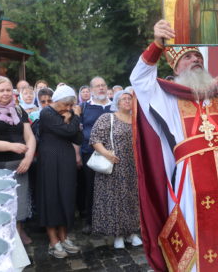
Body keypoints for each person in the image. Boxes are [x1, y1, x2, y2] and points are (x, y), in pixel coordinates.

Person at [131, 20, 218, 271]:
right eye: (187, 56)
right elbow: (140, 79)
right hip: (190, 186)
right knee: (198, 242)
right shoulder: (166, 97)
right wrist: (156, 45)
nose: (195, 59)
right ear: (176, 67)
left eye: (198, 55)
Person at [0, 76, 36, 245]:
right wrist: (10, 146)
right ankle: (1, 240)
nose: (6, 94)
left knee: (20, 203)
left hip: (19, 165)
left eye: (9, 90)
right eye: (1, 90)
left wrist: (28, 157)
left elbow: (30, 137)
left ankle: (17, 239)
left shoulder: (18, 110)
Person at [89, 90, 142, 249]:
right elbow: (94, 139)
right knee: (116, 201)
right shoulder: (108, 118)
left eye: (129, 99)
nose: (127, 101)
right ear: (117, 102)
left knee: (132, 200)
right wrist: (107, 154)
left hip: (132, 167)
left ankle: (131, 233)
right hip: (114, 166)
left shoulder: (137, 120)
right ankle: (118, 235)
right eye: (123, 99)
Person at [36, 85, 83, 258]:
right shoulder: (46, 113)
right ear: (59, 101)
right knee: (51, 198)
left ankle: (64, 237)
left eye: (72, 106)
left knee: (66, 195)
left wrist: (71, 119)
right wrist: (75, 117)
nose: (69, 109)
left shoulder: (67, 114)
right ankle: (53, 241)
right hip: (49, 160)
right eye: (67, 105)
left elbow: (78, 137)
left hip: (66, 159)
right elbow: (69, 131)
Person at [77, 77, 113, 234]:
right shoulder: (84, 107)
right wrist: (77, 154)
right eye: (97, 86)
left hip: (113, 154)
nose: (101, 88)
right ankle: (90, 222)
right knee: (91, 187)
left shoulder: (115, 106)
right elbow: (77, 133)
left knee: (112, 188)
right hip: (90, 153)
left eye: (103, 85)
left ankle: (112, 220)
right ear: (91, 90)